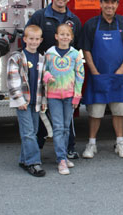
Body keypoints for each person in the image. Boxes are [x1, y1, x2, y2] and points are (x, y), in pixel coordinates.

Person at [80, 0, 123, 158]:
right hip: (98, 75)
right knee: (95, 112)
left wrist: (122, 68)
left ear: (117, 5)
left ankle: (120, 143)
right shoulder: (91, 24)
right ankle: (91, 144)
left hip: (119, 76)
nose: (110, 5)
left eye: (113, 2)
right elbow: (86, 49)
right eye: (106, 2)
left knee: (119, 111)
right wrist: (94, 71)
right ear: (101, 4)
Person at [26, 0, 82, 159]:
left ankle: (69, 148)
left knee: (66, 120)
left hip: (65, 81)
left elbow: (78, 49)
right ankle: (37, 146)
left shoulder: (74, 20)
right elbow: (27, 39)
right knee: (41, 110)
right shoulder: (40, 16)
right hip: (43, 76)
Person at [43, 24, 85, 175]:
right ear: (56, 36)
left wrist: (77, 95)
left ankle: (64, 155)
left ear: (71, 37)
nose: (65, 37)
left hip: (69, 96)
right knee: (58, 128)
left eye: (68, 34)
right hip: (54, 96)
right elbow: (43, 69)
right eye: (62, 34)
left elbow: (80, 74)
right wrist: (47, 76)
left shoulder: (75, 54)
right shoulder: (49, 53)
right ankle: (61, 159)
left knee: (66, 128)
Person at [7, 25, 46, 177]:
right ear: (25, 39)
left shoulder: (41, 58)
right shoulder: (16, 58)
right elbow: (12, 80)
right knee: (28, 132)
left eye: (37, 39)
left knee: (33, 132)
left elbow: (42, 83)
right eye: (31, 39)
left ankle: (24, 159)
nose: (34, 42)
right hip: (23, 102)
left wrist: (43, 101)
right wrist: (19, 99)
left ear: (41, 40)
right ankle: (34, 163)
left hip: (36, 102)